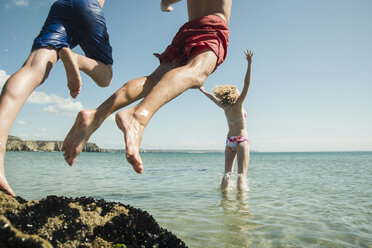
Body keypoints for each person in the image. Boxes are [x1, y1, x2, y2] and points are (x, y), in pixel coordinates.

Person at [62, 0, 232, 174]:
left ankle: (95, 116)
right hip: (214, 25)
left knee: (154, 80)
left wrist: (165, 5)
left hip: (190, 28)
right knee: (198, 71)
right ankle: (138, 116)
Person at [0, 0, 113, 197]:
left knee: (33, 68)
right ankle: (75, 58)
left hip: (62, 4)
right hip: (89, 6)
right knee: (106, 76)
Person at [199, 50, 253, 191]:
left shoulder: (225, 107)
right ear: (235, 95)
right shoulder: (239, 104)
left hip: (229, 141)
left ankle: (224, 201)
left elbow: (212, 98)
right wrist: (249, 64)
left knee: (227, 174)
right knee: (242, 175)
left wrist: (202, 90)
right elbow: (247, 83)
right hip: (241, 141)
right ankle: (242, 208)